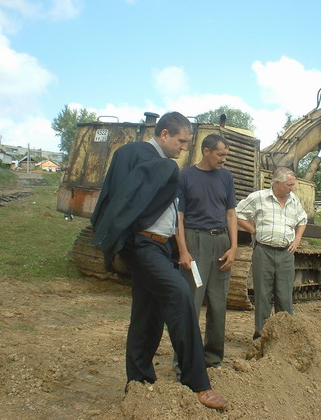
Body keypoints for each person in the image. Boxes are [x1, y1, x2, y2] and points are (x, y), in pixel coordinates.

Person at [90, 112, 229, 411]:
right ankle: (198, 383)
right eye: (181, 141)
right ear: (164, 134)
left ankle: (138, 381)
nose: (183, 147)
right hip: (141, 244)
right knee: (180, 295)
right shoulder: (134, 154)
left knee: (147, 315)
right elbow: (118, 200)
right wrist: (119, 241)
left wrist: (176, 246)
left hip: (161, 247)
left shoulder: (164, 168)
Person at [175, 134, 237, 371]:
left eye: (226, 155)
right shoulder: (186, 176)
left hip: (221, 242)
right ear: (207, 151)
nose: (224, 159)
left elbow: (231, 213)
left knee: (218, 304)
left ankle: (213, 359)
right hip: (195, 241)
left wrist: (233, 246)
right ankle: (184, 363)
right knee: (191, 303)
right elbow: (178, 217)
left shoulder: (226, 177)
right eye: (220, 155)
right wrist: (182, 250)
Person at [235, 167, 307, 340]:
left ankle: (284, 338)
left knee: (284, 296)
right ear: (277, 183)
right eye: (289, 184)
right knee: (263, 295)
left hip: (285, 254)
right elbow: (237, 214)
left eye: (293, 185)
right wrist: (253, 230)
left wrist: (297, 239)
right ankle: (262, 336)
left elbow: (302, 219)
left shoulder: (294, 200)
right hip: (264, 252)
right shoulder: (258, 197)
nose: (292, 188)